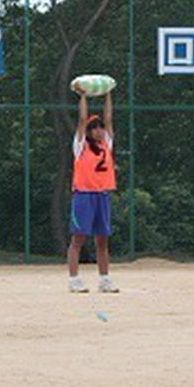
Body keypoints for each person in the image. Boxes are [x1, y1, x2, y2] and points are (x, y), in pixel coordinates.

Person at [67, 88, 120, 293]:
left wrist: (107, 94)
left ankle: (104, 279)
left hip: (102, 194)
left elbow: (109, 118)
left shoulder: (106, 143)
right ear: (88, 131)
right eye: (94, 128)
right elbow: (81, 120)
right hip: (84, 194)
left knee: (102, 239)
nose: (98, 130)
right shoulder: (80, 146)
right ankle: (73, 279)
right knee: (78, 238)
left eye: (99, 127)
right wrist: (82, 97)